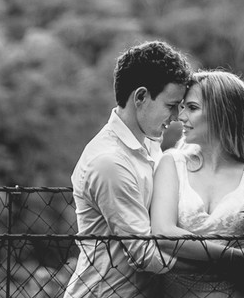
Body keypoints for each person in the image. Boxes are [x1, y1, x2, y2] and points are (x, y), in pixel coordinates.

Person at [64, 40, 194, 298]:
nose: (176, 117)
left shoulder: (150, 143)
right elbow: (145, 254)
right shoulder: (109, 162)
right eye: (170, 106)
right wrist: (220, 264)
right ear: (141, 97)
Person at [151, 70, 244, 298]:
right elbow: (163, 234)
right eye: (182, 107)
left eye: (192, 108)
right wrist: (236, 256)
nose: (181, 116)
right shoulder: (172, 164)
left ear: (221, 113)